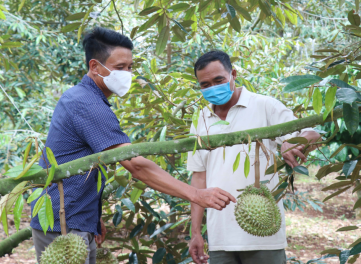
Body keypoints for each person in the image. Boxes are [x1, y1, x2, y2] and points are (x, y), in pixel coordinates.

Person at [29, 28, 236, 264]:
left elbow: (77, 161)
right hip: (63, 224)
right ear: (95, 67)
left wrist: (92, 217)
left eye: (130, 67)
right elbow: (136, 165)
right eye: (120, 68)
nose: (127, 73)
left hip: (75, 218)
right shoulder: (86, 105)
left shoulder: (83, 98)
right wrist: (196, 194)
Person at [187, 50, 321, 264]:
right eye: (205, 84)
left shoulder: (265, 106)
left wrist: (294, 143)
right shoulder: (201, 119)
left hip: (264, 237)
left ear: (233, 74)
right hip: (219, 235)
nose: (212, 88)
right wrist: (195, 232)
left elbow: (313, 134)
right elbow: (199, 177)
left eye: (218, 80)